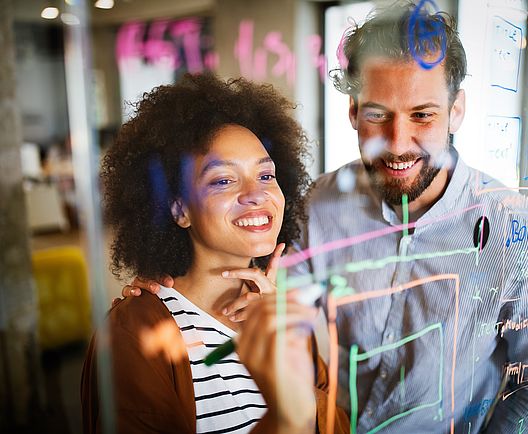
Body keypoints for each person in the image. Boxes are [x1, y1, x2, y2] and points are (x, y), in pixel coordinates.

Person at [126, 3, 528, 433]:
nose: (398, 143)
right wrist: (163, 287)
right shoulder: (318, 203)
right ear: (354, 112)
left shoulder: (526, 239)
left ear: (456, 110)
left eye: (423, 115)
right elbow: (258, 274)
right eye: (378, 115)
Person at [81, 73, 349, 434]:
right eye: (223, 180)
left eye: (266, 175)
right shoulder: (137, 333)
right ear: (179, 210)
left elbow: (333, 421)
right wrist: (287, 413)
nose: (256, 193)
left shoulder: (283, 318)